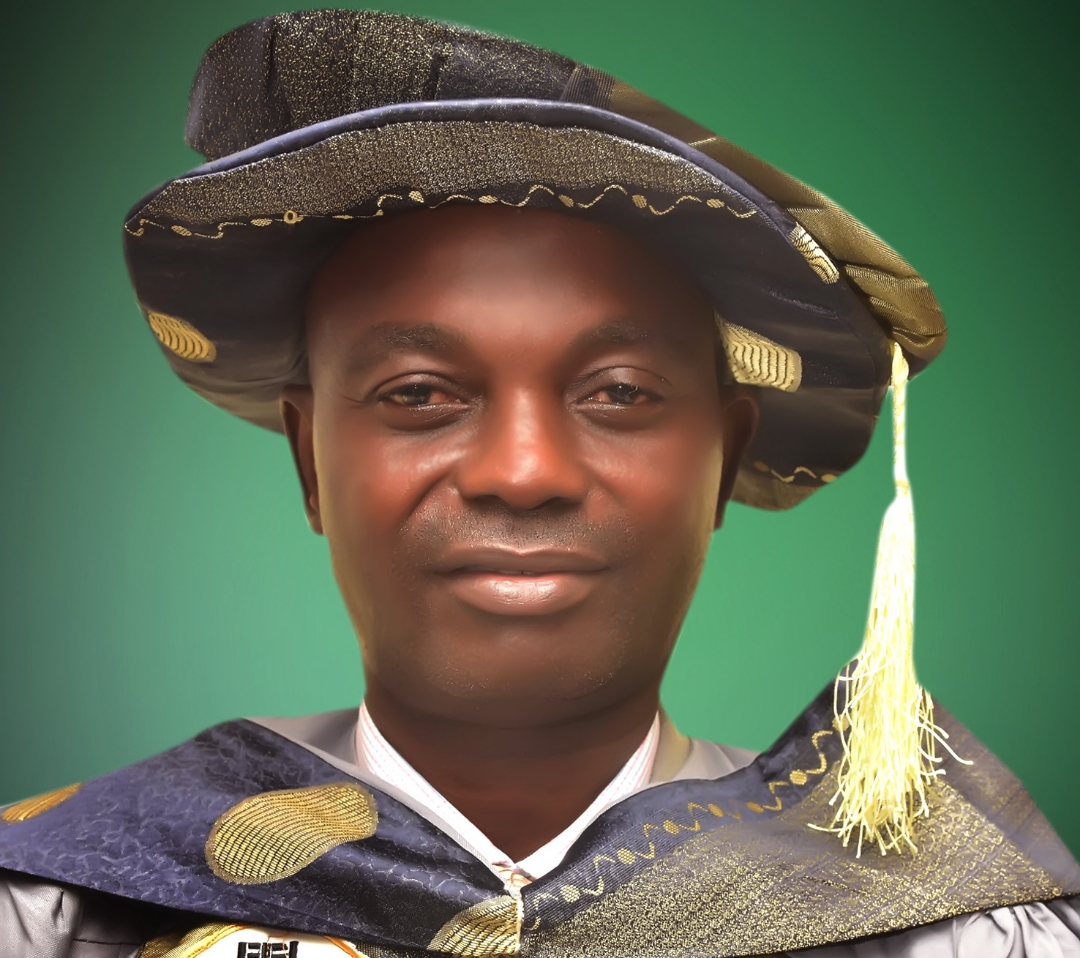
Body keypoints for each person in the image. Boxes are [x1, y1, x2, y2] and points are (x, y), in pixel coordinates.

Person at [1, 9, 1077, 957]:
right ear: (309, 460)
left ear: (722, 460)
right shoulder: (63, 906)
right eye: (420, 394)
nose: (524, 473)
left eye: (621, 393)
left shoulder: (942, 926)